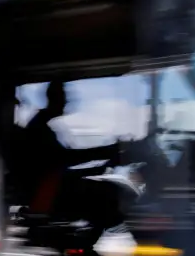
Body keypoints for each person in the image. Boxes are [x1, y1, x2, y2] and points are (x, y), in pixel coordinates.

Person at [19, 79, 124, 235]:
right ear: (54, 99)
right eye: (64, 98)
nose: (67, 103)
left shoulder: (42, 125)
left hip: (50, 189)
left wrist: (99, 166)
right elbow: (63, 160)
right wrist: (105, 152)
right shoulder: (39, 128)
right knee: (109, 193)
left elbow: (61, 164)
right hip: (47, 194)